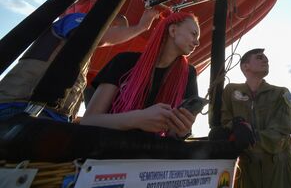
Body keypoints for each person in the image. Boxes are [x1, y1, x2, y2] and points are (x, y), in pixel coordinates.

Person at [0, 8, 159, 122]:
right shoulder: (77, 20)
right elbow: (100, 35)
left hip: (53, 113)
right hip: (23, 105)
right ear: (109, 22)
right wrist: (141, 27)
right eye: (118, 28)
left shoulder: (78, 55)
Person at [81, 11, 199, 138]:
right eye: (194, 34)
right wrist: (137, 119)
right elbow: (88, 121)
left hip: (151, 155)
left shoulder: (188, 74)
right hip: (109, 150)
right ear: (173, 31)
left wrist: (181, 130)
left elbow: (173, 135)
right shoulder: (124, 62)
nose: (197, 43)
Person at [221, 48, 291, 188]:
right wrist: (235, 126)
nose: (266, 59)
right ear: (245, 66)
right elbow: (223, 121)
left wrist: (249, 135)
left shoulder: (280, 93)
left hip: (280, 171)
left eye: (266, 58)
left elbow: (281, 133)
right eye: (259, 57)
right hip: (247, 171)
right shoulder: (231, 91)